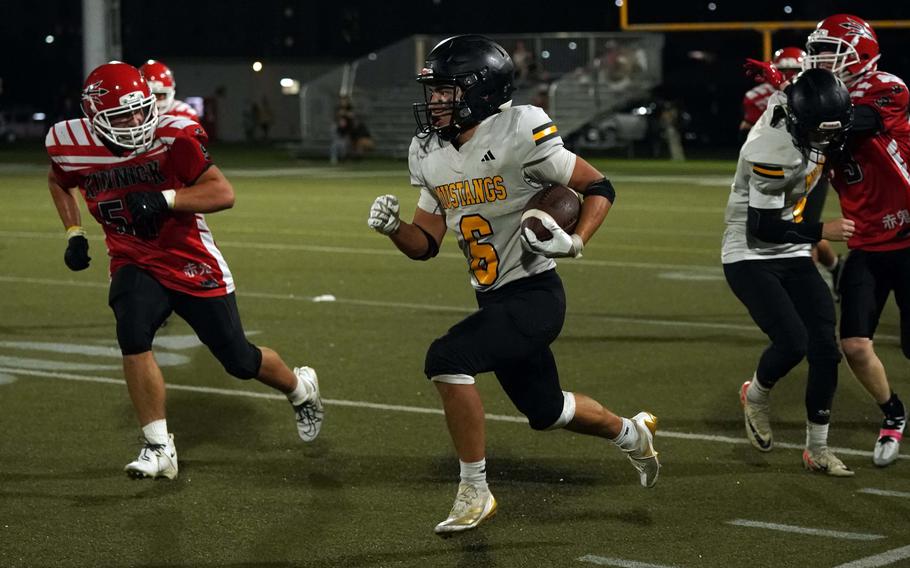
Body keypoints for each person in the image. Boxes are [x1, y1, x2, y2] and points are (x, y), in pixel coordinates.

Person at [367, 35, 659, 535]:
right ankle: (631, 433)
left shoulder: (519, 129)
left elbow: (598, 186)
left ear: (479, 91)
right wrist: (395, 229)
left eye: (445, 90)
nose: (434, 101)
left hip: (536, 295)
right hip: (492, 297)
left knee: (447, 359)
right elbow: (426, 244)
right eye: (433, 91)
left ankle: (474, 490)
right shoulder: (428, 150)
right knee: (547, 410)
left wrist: (576, 241)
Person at [45, 61, 324, 480]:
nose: (137, 121)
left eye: (141, 110)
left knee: (238, 359)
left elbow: (223, 192)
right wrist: (73, 233)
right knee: (132, 330)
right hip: (133, 258)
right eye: (123, 115)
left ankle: (300, 387)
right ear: (95, 119)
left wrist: (166, 199)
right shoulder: (69, 141)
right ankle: (158, 447)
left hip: (190, 259)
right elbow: (59, 179)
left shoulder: (173, 135)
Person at [723, 68, 856, 476]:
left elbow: (790, 89)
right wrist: (823, 231)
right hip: (750, 253)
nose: (826, 141)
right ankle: (756, 395)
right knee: (792, 342)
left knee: (825, 349)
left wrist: (783, 77)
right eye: (818, 132)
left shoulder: (803, 110)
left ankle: (817, 448)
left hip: (793, 249)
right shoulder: (771, 147)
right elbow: (762, 228)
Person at [804, 14, 910, 466]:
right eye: (818, 51)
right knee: (854, 345)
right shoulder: (831, 98)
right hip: (865, 241)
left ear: (860, 51)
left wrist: (798, 95)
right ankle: (894, 414)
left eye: (831, 50)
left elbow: (852, 120)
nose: (821, 59)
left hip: (907, 237)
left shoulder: (887, 86)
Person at [742, 48, 843, 290]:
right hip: (779, 166)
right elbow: (745, 128)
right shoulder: (759, 97)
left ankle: (808, 293)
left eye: (795, 71)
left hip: (810, 167)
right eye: (785, 71)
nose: (790, 75)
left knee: (805, 230)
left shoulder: (817, 92)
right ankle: (837, 268)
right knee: (792, 226)